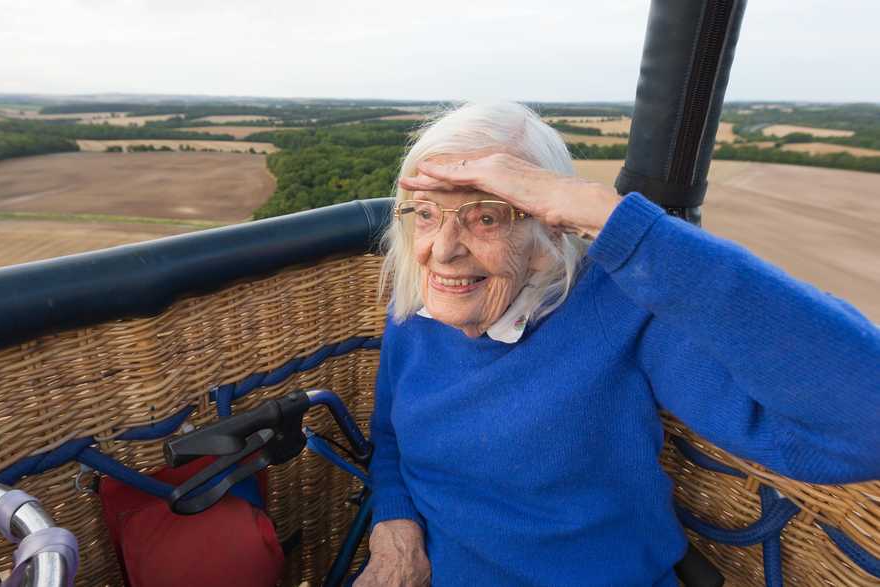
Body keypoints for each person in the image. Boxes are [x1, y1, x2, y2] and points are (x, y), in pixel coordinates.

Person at [354, 102, 880, 587]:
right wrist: (394, 520)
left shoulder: (617, 310)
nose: (442, 250)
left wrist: (610, 219)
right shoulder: (419, 309)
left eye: (486, 216)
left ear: (548, 231)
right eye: (425, 213)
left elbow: (865, 426)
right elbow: (391, 440)